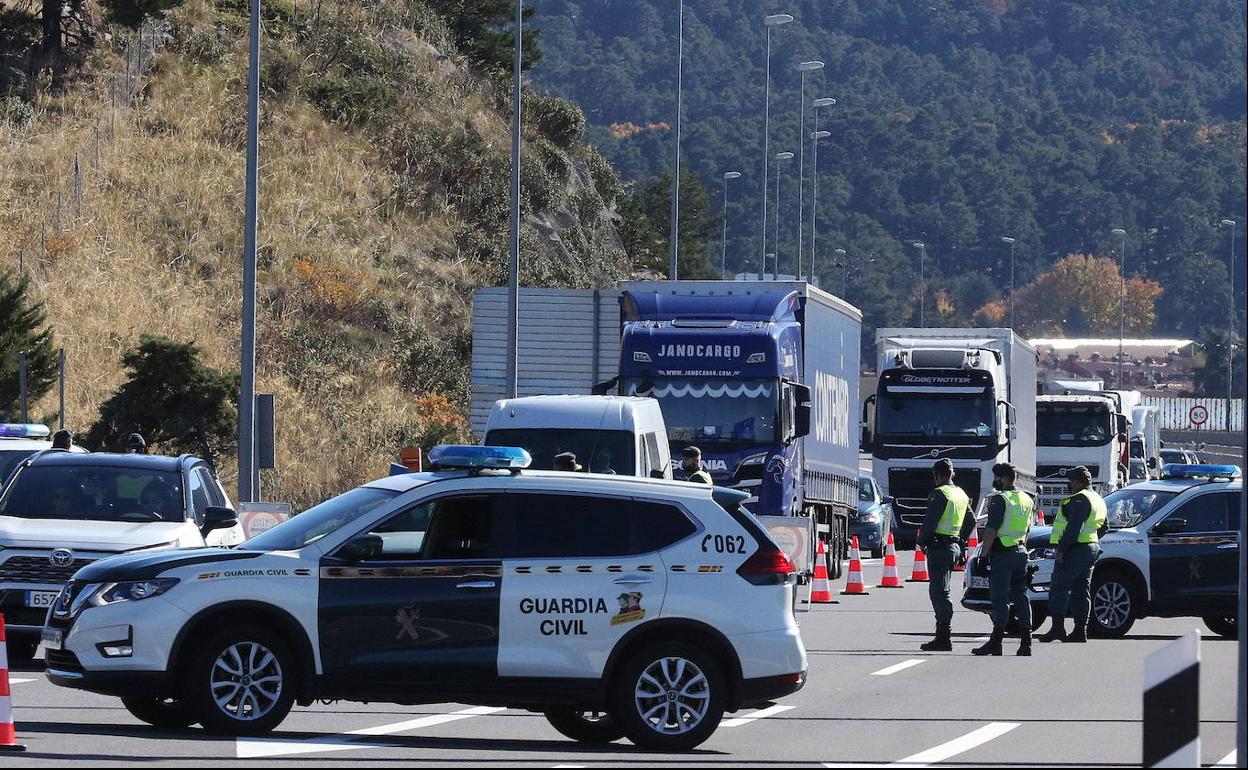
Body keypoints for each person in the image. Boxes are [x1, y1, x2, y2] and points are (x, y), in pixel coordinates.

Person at [1038, 465, 1107, 643]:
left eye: (1071, 481)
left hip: (1076, 549)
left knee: (1059, 587)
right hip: (1091, 547)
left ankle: (1057, 629)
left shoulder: (1079, 499)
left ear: (1077, 481)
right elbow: (1104, 527)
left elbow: (1073, 527)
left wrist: (1061, 549)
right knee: (1081, 590)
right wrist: (1091, 539)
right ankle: (1079, 630)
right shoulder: (1098, 499)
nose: (1069, 484)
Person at [972, 463, 1035, 657]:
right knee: (1021, 596)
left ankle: (996, 642)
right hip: (1021, 552)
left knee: (1000, 598)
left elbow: (991, 530)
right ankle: (1026, 642)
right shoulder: (1026, 499)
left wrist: (983, 556)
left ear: (1005, 478)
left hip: (1002, 555)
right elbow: (1027, 528)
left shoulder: (1000, 499)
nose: (995, 481)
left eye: (997, 477)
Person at [915, 458, 976, 652]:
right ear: (953, 474)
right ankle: (943, 636)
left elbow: (930, 522)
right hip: (952, 546)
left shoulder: (940, 494)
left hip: (940, 548)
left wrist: (921, 541)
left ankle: (943, 637)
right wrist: (960, 540)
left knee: (939, 593)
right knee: (943, 590)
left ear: (937, 475)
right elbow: (971, 520)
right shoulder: (960, 493)